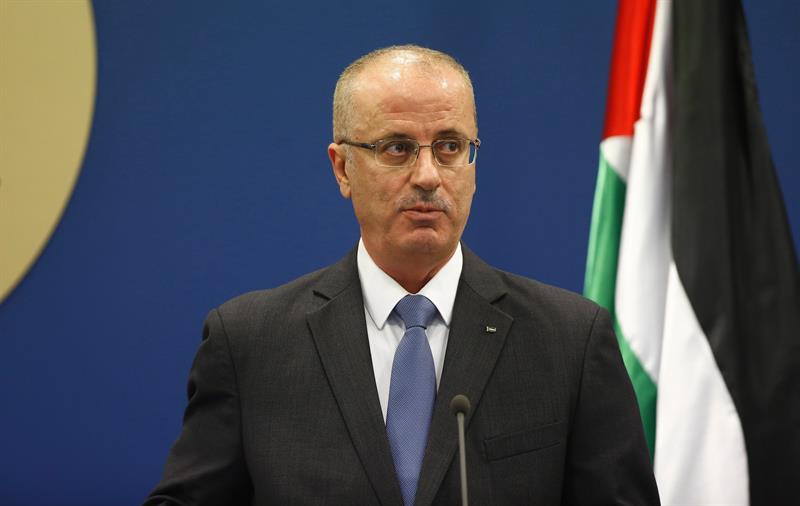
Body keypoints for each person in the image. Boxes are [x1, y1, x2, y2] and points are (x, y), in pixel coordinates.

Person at [144, 45, 660, 506]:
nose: (429, 175)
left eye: (450, 146)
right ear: (342, 168)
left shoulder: (569, 340)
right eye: (397, 148)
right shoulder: (251, 342)